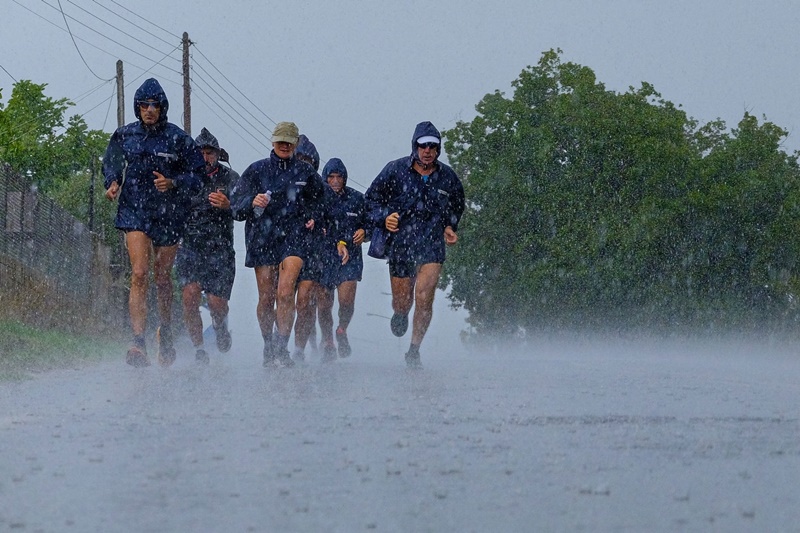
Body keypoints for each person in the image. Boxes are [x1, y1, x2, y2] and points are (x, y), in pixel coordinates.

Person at [103, 78, 204, 367]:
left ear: (162, 108)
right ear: (137, 107)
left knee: (162, 278)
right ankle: (138, 342)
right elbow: (111, 161)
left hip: (169, 215)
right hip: (134, 210)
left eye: (154, 105)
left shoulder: (179, 139)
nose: (149, 110)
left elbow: (198, 177)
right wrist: (112, 182)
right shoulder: (124, 135)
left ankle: (166, 331)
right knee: (139, 273)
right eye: (144, 105)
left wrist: (173, 182)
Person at [364, 121, 465, 368]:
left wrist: (451, 226)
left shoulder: (448, 177)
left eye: (432, 146)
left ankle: (414, 349)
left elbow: (457, 205)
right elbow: (370, 201)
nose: (427, 150)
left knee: (425, 296)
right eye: (423, 145)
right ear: (415, 146)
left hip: (431, 245)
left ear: (438, 149)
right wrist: (384, 217)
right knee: (403, 300)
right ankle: (400, 314)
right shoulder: (395, 170)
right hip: (401, 244)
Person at [230, 122, 325, 368]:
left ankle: (282, 345)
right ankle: (268, 343)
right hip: (262, 236)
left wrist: (316, 215)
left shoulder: (306, 172)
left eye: (288, 141)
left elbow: (325, 201)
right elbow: (235, 205)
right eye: (280, 141)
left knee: (285, 292)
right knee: (266, 297)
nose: (284, 145)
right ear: (272, 142)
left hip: (294, 236)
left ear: (295, 144)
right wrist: (252, 200)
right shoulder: (255, 170)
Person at [175, 128, 238, 363]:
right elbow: (169, 208)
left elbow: (245, 210)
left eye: (209, 152)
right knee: (189, 296)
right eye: (199, 152)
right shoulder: (183, 177)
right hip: (189, 246)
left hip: (220, 248)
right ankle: (199, 348)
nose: (204, 157)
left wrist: (227, 205)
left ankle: (220, 328)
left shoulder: (231, 179)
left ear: (217, 155)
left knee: (216, 302)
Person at [317, 157, 366, 359]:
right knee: (324, 303)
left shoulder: (357, 199)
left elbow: (369, 222)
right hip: (324, 257)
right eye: (331, 177)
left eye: (339, 177)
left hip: (350, 258)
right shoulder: (318, 198)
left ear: (345, 178)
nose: (335, 181)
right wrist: (336, 241)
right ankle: (328, 340)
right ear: (325, 178)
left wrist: (365, 231)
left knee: (346, 300)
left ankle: (342, 330)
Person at [291, 135, 333, 362]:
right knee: (283, 298)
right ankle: (279, 342)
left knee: (305, 300)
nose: (303, 163)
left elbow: (332, 218)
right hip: (284, 248)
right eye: (299, 158)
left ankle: (298, 350)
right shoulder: (282, 181)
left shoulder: (322, 187)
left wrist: (319, 220)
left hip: (313, 250)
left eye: (308, 159)